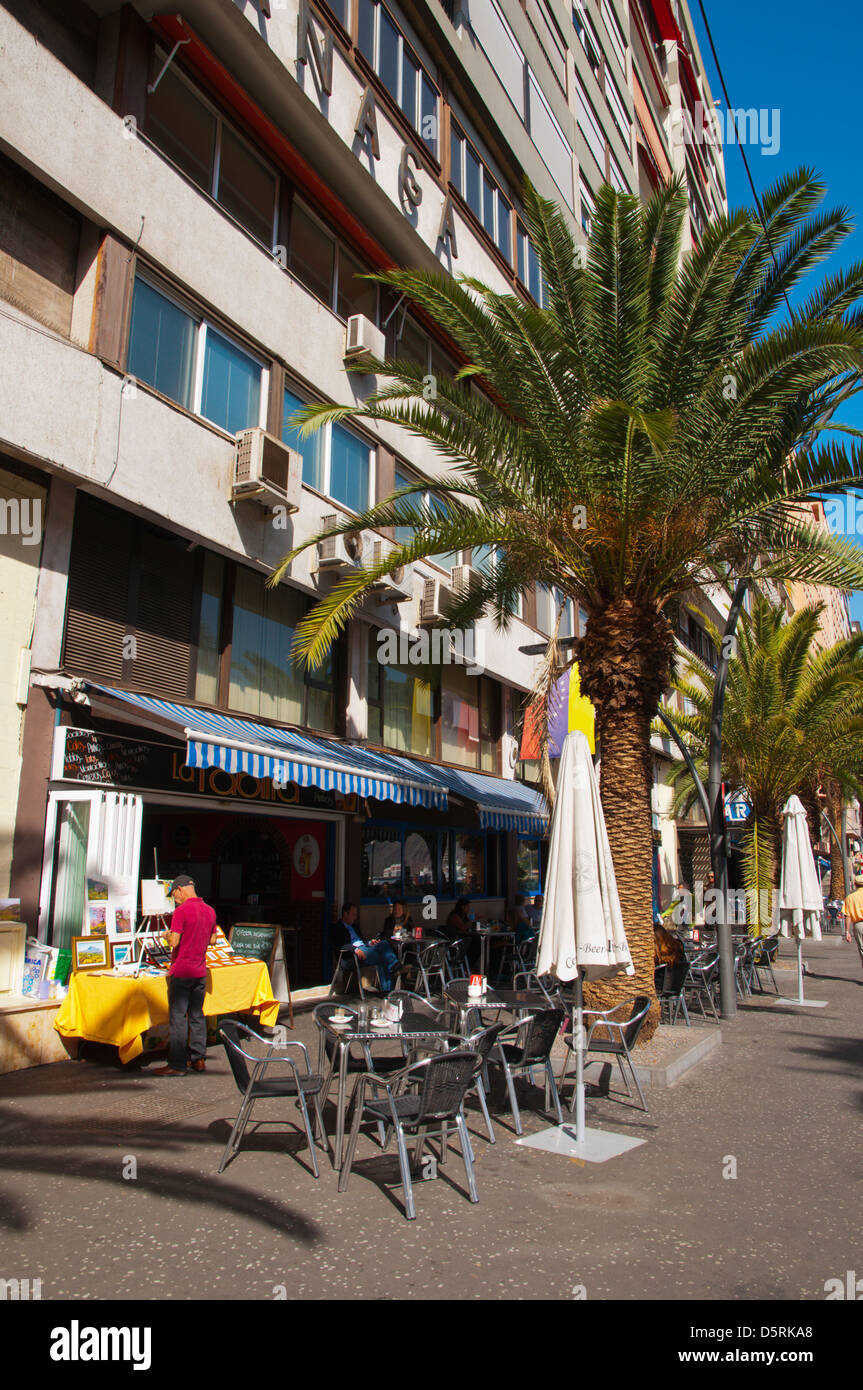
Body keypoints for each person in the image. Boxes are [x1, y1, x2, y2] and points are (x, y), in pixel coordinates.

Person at [151, 874, 217, 1077]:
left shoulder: (182, 911)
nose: (174, 899)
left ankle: (177, 1065)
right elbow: (213, 940)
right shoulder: (210, 910)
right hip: (199, 971)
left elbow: (174, 942)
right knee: (197, 1015)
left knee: (178, 1018)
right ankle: (199, 1059)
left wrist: (165, 934)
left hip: (182, 971)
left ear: (180, 889)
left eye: (174, 895)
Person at [333, 902, 398, 992]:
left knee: (383, 949)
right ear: (345, 914)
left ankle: (387, 991)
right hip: (351, 956)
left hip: (364, 950)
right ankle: (395, 966)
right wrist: (355, 949)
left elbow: (362, 941)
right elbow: (340, 945)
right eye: (353, 915)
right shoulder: (337, 928)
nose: (355, 917)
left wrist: (370, 943)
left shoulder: (355, 927)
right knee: (384, 949)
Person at [442, 897, 480, 969]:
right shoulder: (455, 916)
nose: (469, 909)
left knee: (478, 941)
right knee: (475, 943)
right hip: (454, 941)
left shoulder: (464, 916)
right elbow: (463, 927)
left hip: (462, 939)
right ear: (463, 907)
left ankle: (469, 965)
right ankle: (467, 966)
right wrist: (472, 919)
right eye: (467, 907)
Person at [841, 881, 863, 979]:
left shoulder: (850, 898)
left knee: (862, 949)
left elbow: (848, 916)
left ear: (856, 884)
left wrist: (847, 932)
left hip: (859, 925)